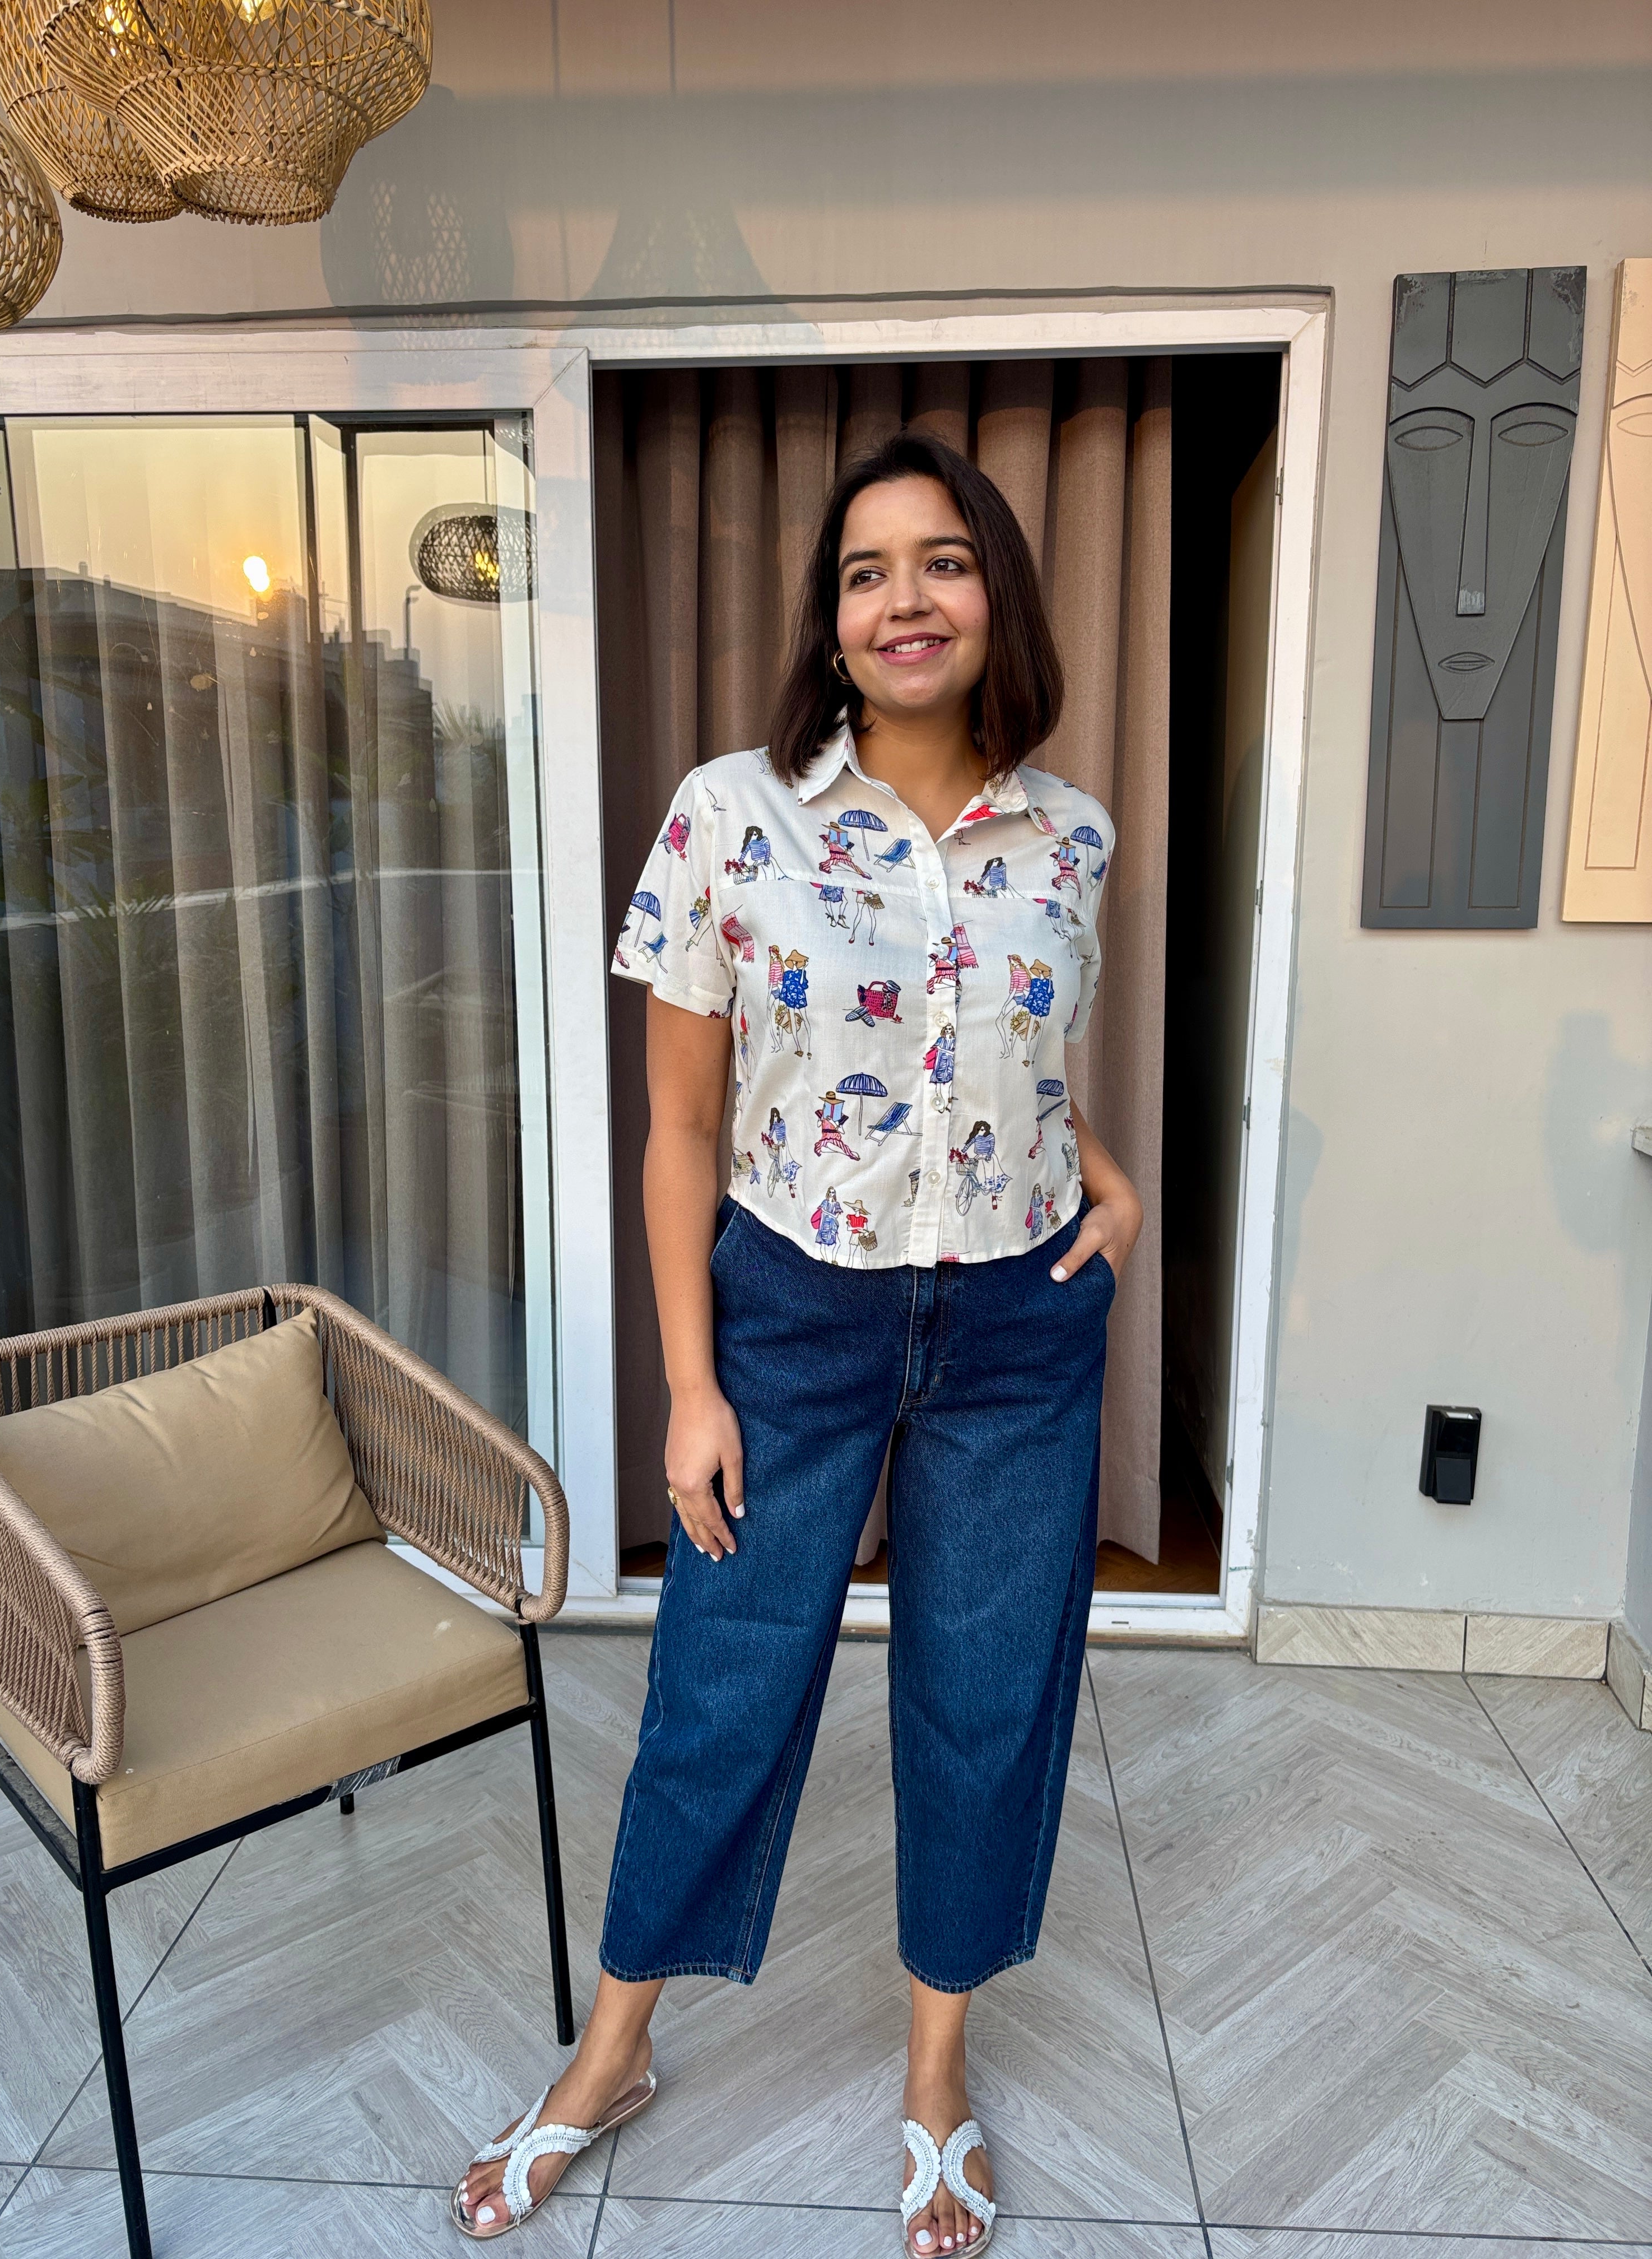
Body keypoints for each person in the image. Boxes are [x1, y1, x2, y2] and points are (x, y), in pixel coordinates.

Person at [453, 431, 1143, 2253]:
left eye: (940, 562)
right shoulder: (727, 816)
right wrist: (690, 1387)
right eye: (865, 572)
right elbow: (685, 1126)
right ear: (831, 627)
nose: (904, 598)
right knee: (721, 1684)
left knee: (987, 1698)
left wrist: (1111, 1182)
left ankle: (935, 2073)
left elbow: (1013, 1070)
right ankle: (613, 2054)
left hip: (1018, 1319)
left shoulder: (1073, 835)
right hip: (794, 1314)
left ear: (995, 596)